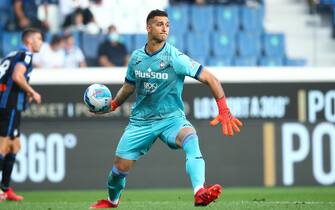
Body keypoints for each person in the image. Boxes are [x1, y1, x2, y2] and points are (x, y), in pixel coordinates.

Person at [89, 9, 242, 209]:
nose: (165, 28)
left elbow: (211, 79)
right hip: (141, 121)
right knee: (118, 171)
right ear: (148, 27)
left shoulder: (175, 57)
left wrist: (224, 110)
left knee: (191, 137)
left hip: (171, 119)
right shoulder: (136, 58)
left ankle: (199, 192)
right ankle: (111, 202)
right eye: (160, 24)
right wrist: (113, 105)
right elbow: (129, 86)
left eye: (167, 25)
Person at [0, 28, 43, 201]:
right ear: (29, 41)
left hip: (11, 105)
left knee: (14, 146)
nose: (41, 42)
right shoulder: (26, 55)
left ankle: (5, 188)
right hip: (8, 105)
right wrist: (32, 92)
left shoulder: (13, 54)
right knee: (3, 144)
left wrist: (24, 94)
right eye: (39, 38)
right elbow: (18, 76)